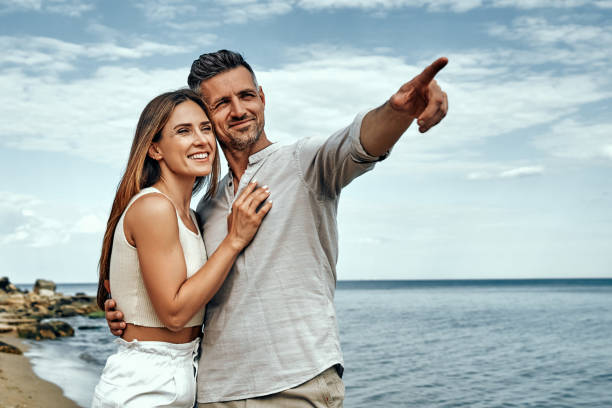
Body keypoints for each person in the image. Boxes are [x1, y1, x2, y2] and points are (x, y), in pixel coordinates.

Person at [105, 50, 449, 407]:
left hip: (294, 386)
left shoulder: (305, 163)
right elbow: (183, 296)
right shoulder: (204, 209)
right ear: (206, 116)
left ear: (262, 98)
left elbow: (358, 142)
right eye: (221, 103)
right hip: (212, 391)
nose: (238, 110)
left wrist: (399, 111)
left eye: (246, 96)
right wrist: (130, 319)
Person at [93, 89, 272, 407]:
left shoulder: (189, 215)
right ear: (154, 149)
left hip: (182, 373)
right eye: (184, 131)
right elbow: (174, 314)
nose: (202, 140)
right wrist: (234, 240)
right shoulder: (154, 208)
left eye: (205, 128)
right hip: (144, 385)